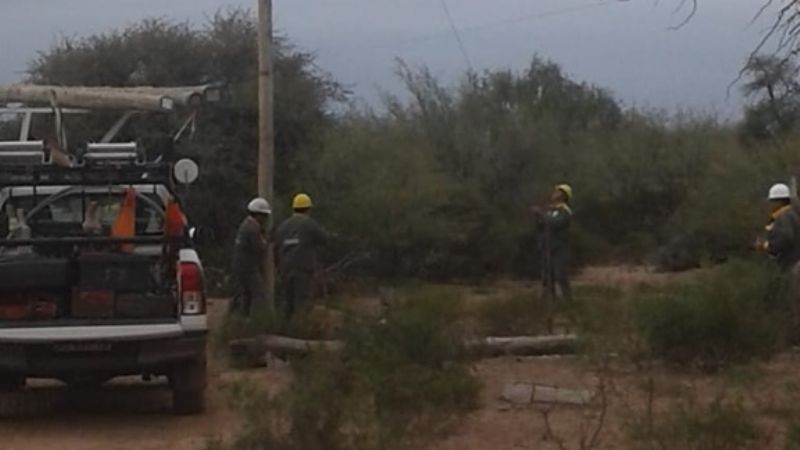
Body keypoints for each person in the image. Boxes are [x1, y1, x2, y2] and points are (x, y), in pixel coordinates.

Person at [275, 193, 329, 323]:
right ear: (308, 209)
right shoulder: (309, 223)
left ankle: (283, 329)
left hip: (285, 269)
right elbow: (324, 239)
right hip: (303, 269)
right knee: (302, 303)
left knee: (287, 303)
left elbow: (276, 244)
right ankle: (300, 331)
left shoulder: (283, 226)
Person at [229, 197, 272, 317]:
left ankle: (240, 318)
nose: (265, 219)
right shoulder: (253, 227)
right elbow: (259, 247)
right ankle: (256, 320)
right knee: (259, 293)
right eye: (264, 216)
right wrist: (268, 240)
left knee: (244, 294)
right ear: (259, 215)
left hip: (239, 265)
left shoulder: (245, 224)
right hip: (248, 267)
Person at [532, 184, 573, 301]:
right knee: (547, 276)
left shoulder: (565, 211)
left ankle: (568, 301)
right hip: (548, 247)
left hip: (560, 248)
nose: (554, 193)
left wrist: (541, 215)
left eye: (558, 191)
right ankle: (550, 300)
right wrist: (538, 218)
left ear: (564, 196)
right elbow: (543, 226)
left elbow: (555, 224)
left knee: (561, 275)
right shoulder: (551, 210)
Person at [756, 183, 800, 272]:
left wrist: (766, 245)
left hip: (790, 265)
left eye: (771, 201)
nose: (769, 204)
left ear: (779, 202)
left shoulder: (784, 217)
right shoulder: (789, 215)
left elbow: (785, 237)